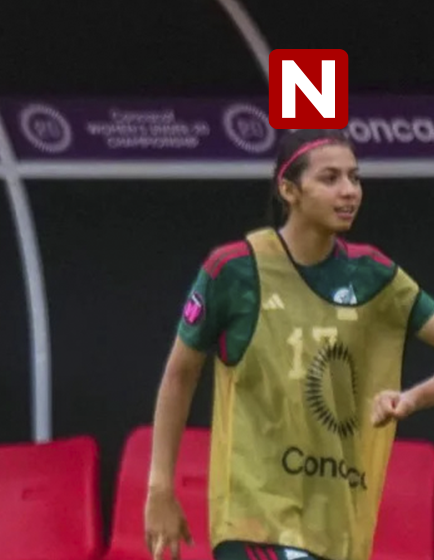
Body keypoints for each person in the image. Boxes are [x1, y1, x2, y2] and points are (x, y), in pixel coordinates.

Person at [144, 129, 434, 560]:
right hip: (255, 521)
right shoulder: (234, 270)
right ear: (289, 190)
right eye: (330, 178)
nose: (349, 191)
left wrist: (412, 399)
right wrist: (160, 489)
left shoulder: (373, 274)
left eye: (354, 177)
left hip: (335, 523)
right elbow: (180, 375)